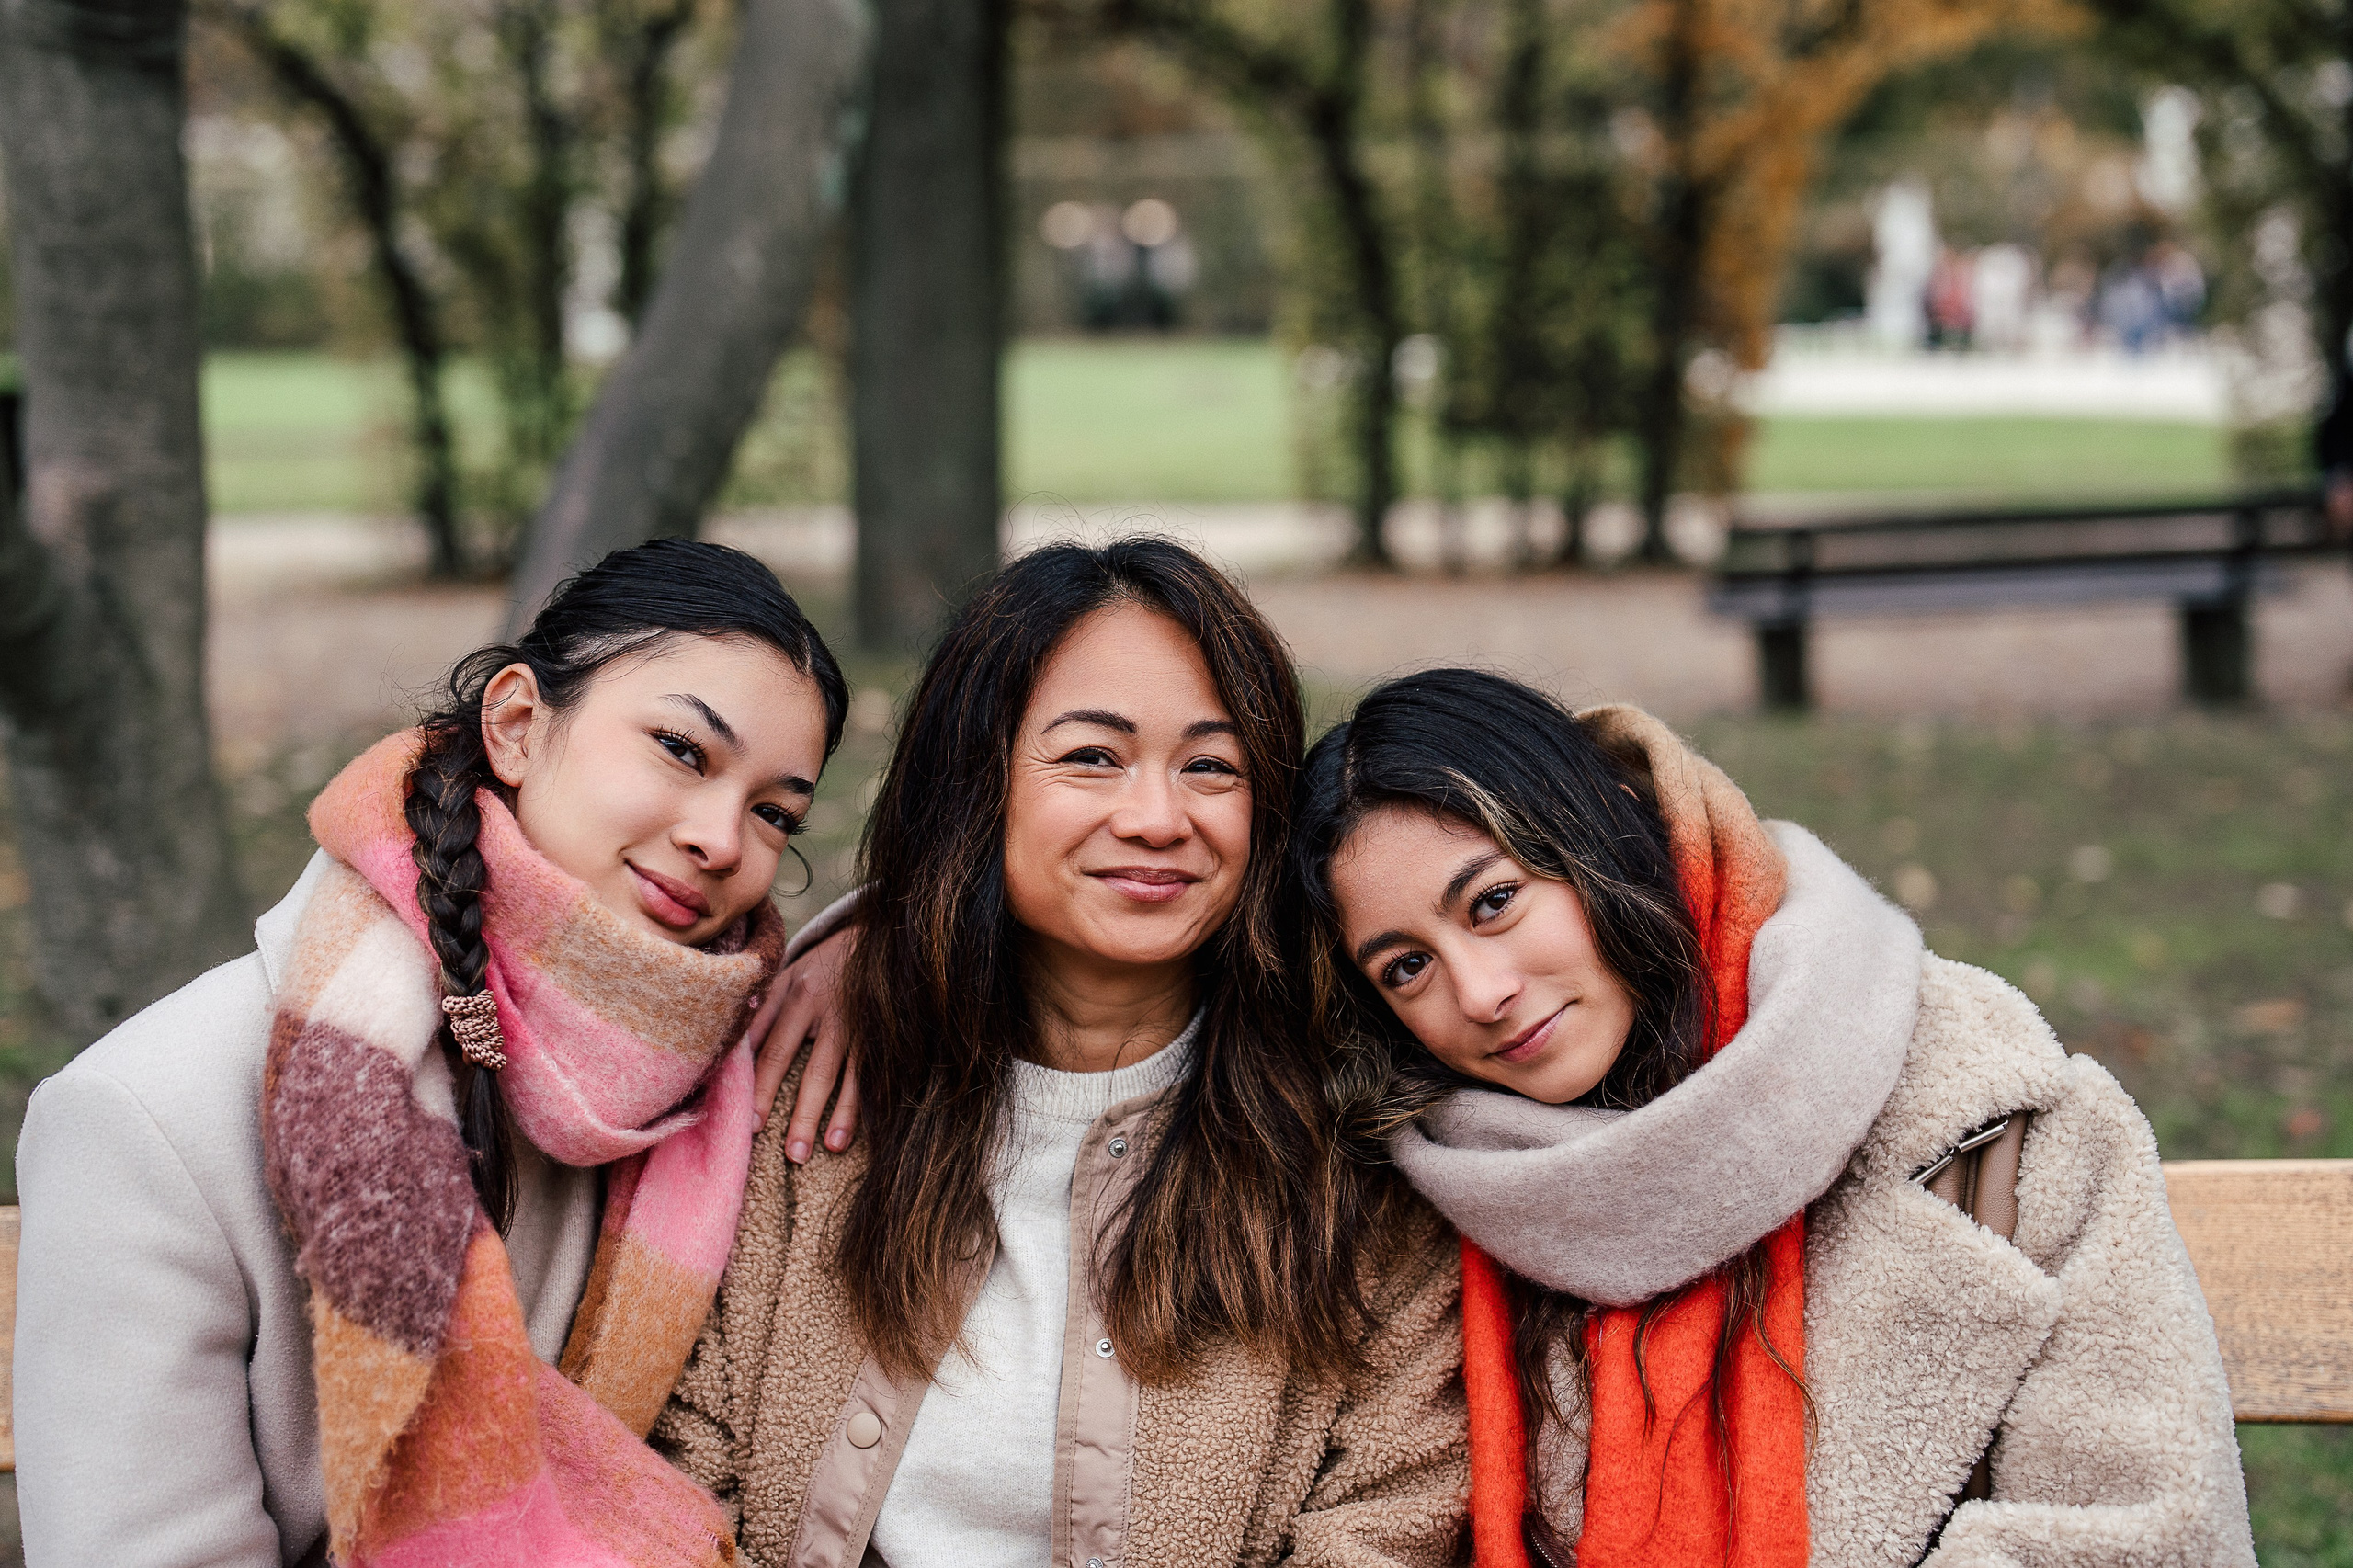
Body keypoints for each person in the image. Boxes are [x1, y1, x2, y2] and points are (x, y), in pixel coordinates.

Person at [1291, 669, 2254, 1568]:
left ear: (1604, 831)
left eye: (1494, 900)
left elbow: (2143, 1525)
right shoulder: (1427, 1201)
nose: (1480, 992)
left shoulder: (1987, 1115)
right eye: (1406, 967)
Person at [15, 540, 853, 1568]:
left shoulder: (722, 1083)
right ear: (517, 723)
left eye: (775, 813)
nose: (722, 839)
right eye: (682, 749)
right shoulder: (147, 1113)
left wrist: (867, 938)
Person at [654, 539, 1466, 1567]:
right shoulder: (806, 1087)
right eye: (1092, 756)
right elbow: (675, 1466)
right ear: (977, 780)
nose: (1158, 819)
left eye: (1211, 766)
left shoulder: (1364, 1152)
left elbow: (1388, 1519)